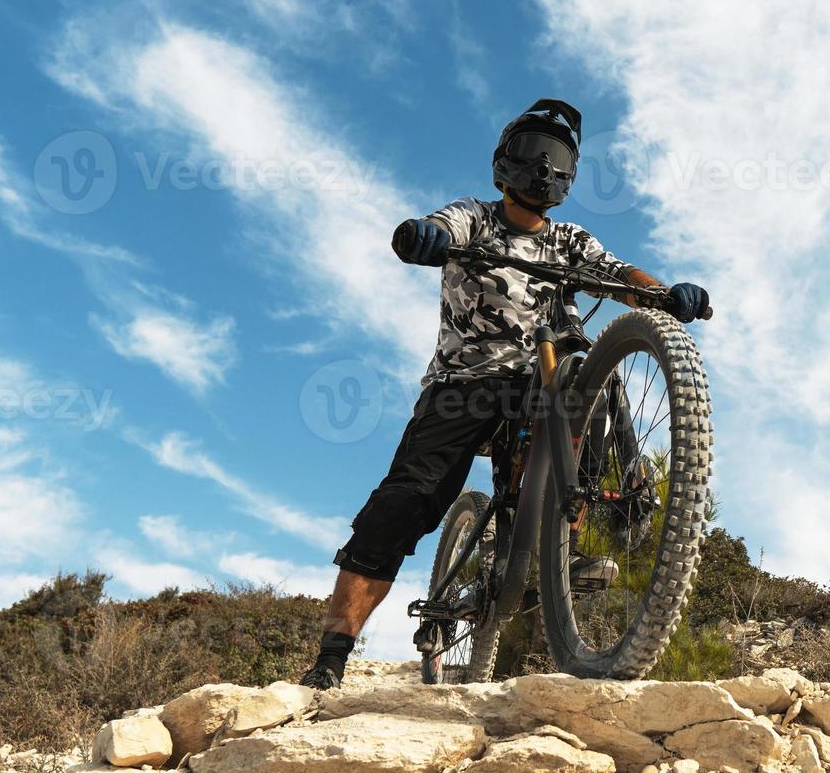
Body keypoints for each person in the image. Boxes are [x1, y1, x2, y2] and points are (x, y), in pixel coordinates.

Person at [298, 99, 710, 690]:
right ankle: (332, 655)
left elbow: (618, 275)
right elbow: (442, 228)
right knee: (407, 502)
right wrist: (426, 238)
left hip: (538, 378)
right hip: (462, 383)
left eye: (558, 157)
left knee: (591, 377)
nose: (544, 166)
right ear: (506, 161)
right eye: (534, 152)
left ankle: (594, 521)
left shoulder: (569, 240)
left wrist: (664, 294)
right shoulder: (476, 217)